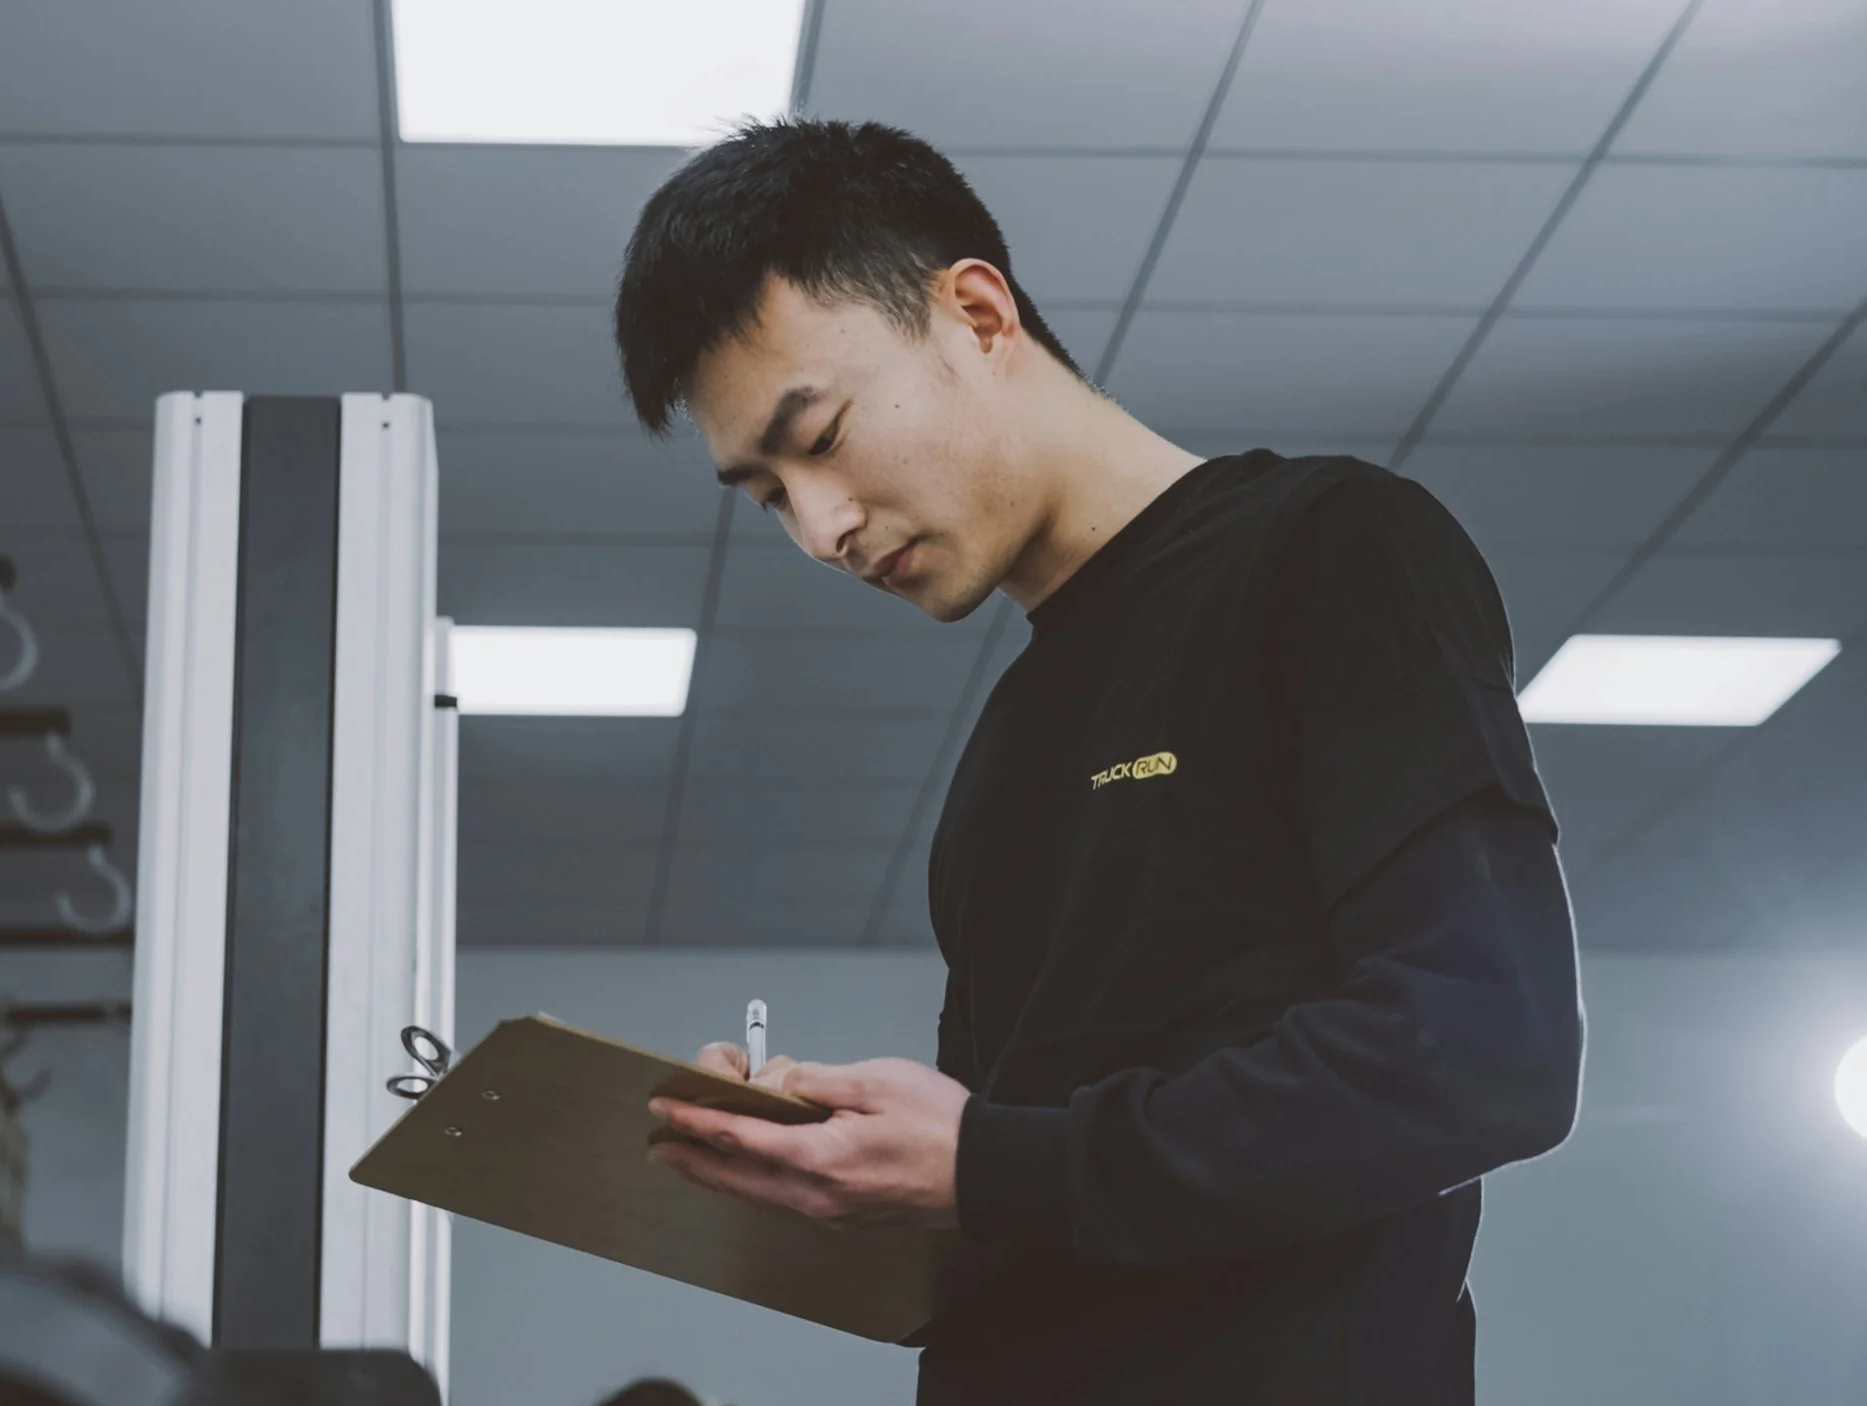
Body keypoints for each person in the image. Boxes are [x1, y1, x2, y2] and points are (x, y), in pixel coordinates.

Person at [613, 120, 1584, 1405]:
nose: (822, 526)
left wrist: (991, 1165)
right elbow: (1022, 1206)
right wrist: (828, 1169)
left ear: (974, 312)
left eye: (824, 434)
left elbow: (1484, 1047)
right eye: (767, 494)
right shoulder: (999, 764)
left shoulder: (1327, 552)